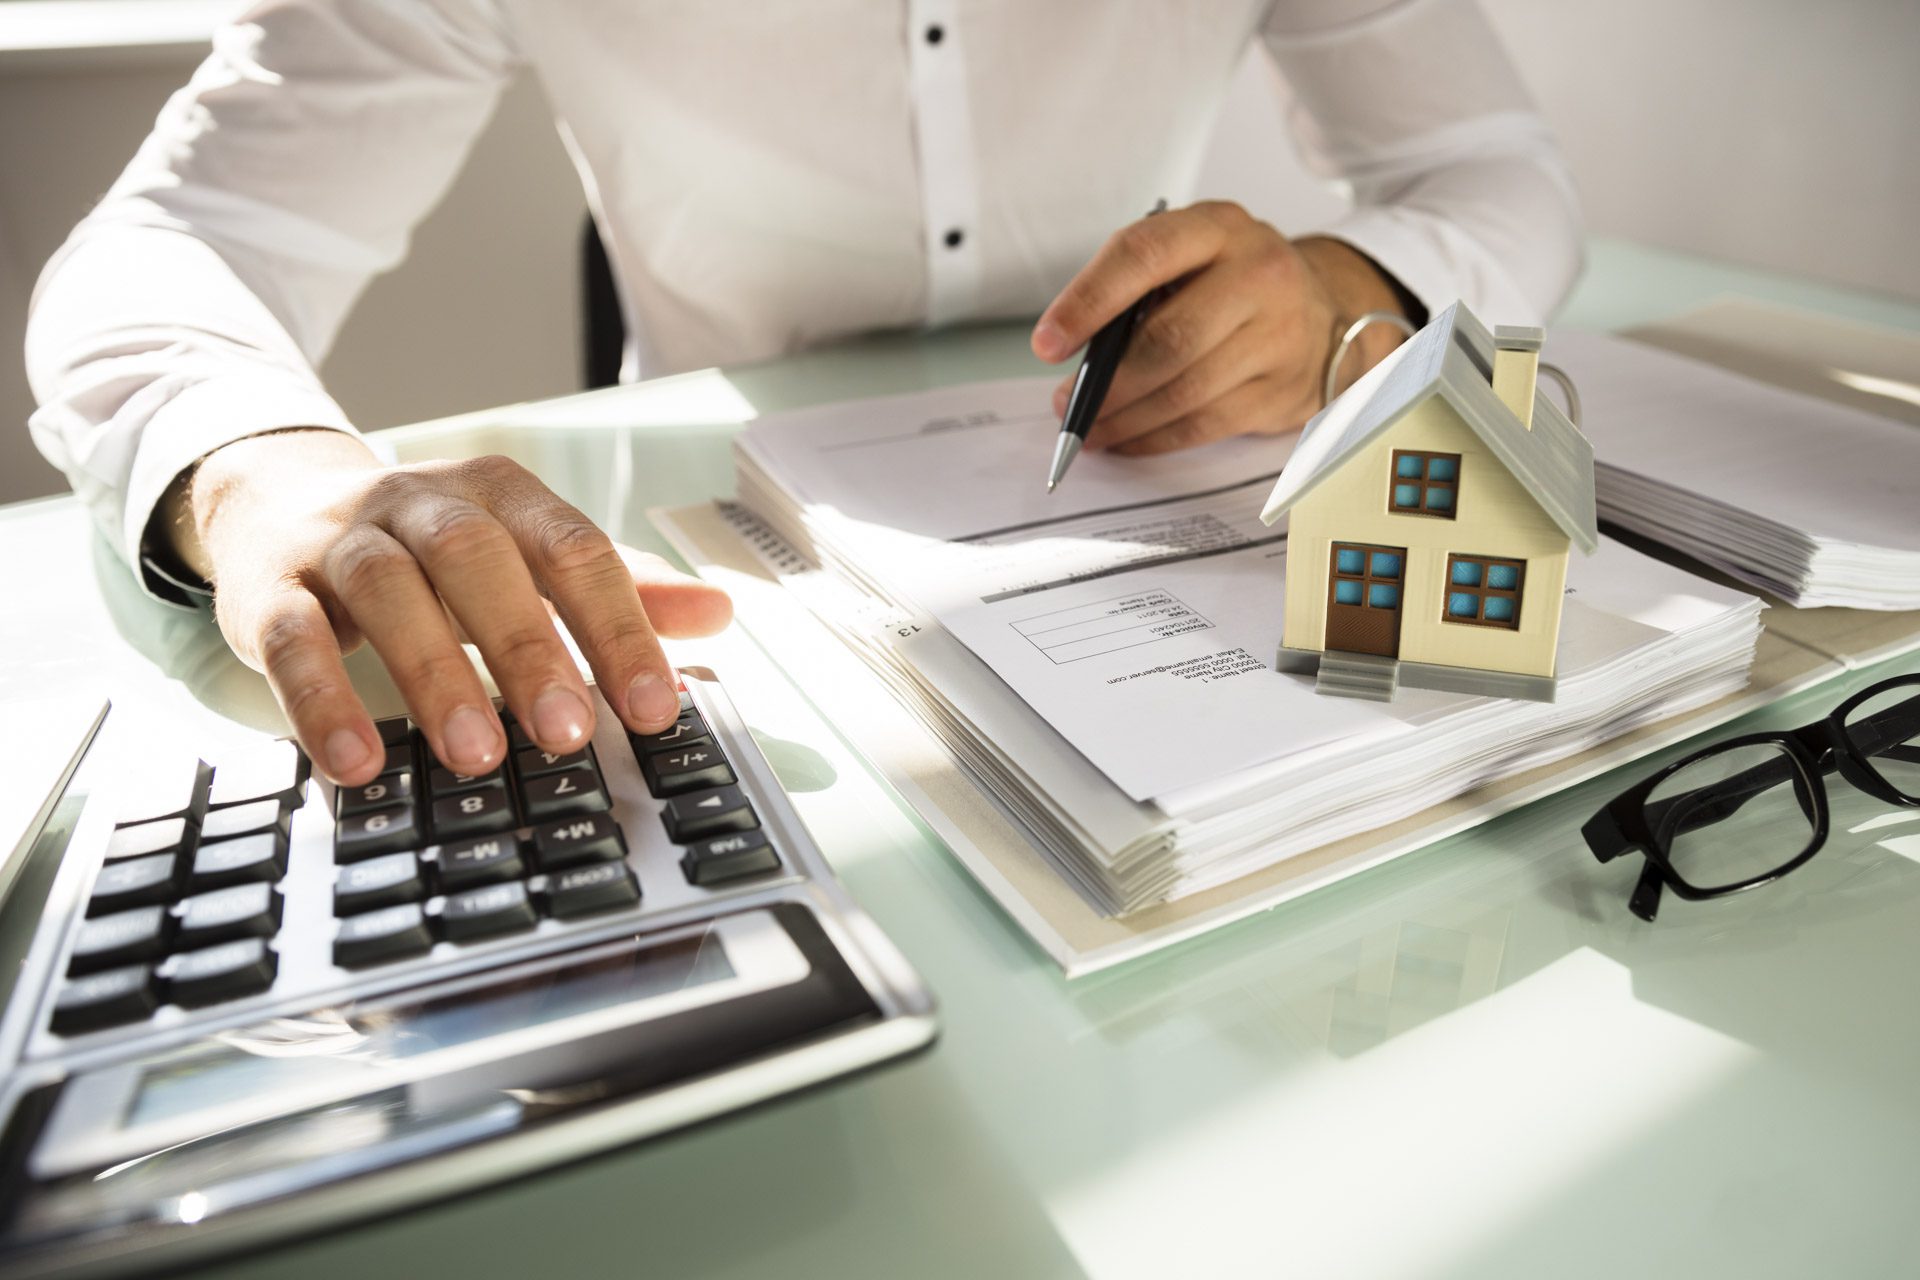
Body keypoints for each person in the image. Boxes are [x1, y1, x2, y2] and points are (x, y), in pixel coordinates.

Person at [24, 0, 1582, 789]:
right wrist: (245, 463)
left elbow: (1498, 173)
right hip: (723, 609)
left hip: (1173, 517)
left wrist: (1353, 282)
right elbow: (184, 239)